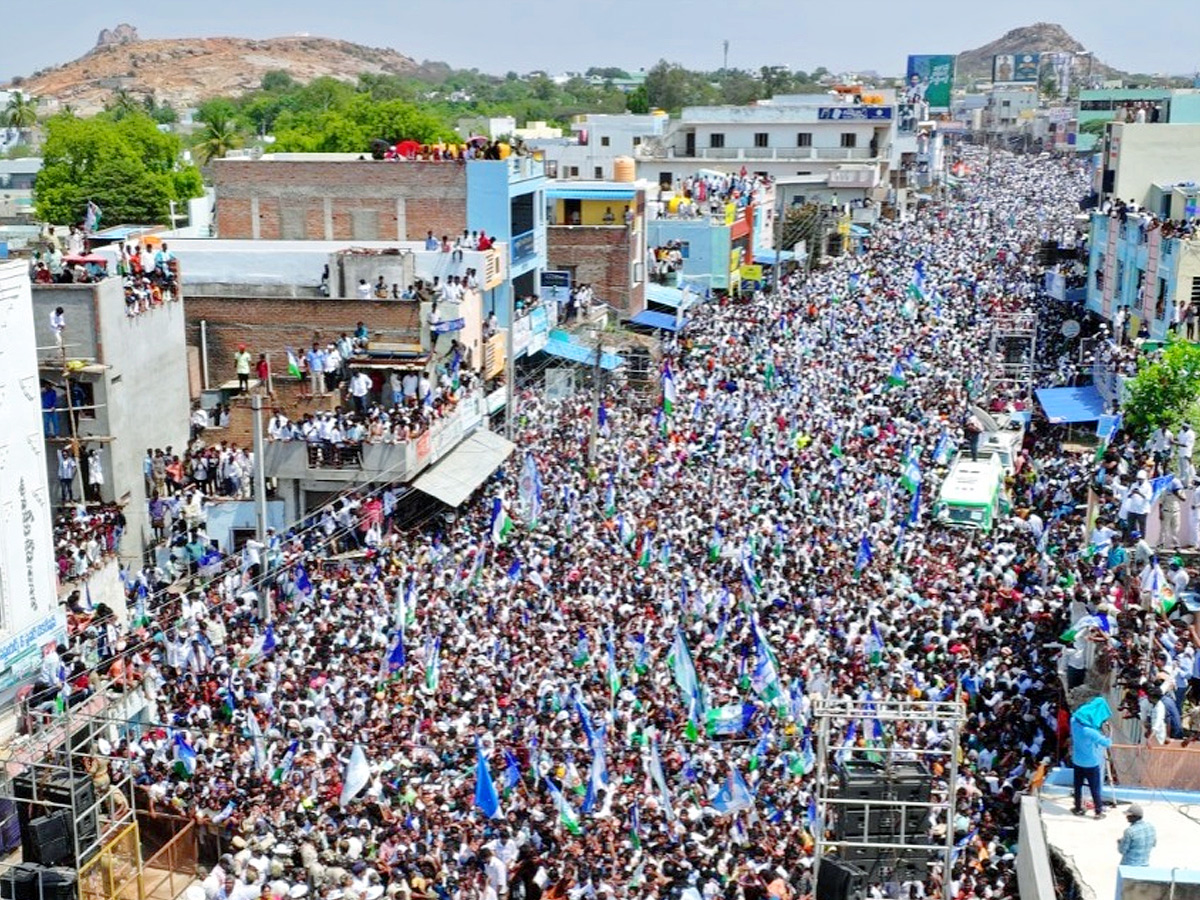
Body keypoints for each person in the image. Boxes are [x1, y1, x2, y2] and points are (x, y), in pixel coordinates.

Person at [1070, 696, 1112, 819]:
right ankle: (1098, 811)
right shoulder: (1091, 732)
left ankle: (1078, 807)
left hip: (1077, 761)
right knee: (1095, 788)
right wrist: (1107, 732)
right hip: (1091, 763)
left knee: (1078, 786)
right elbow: (1107, 743)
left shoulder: (1073, 721)